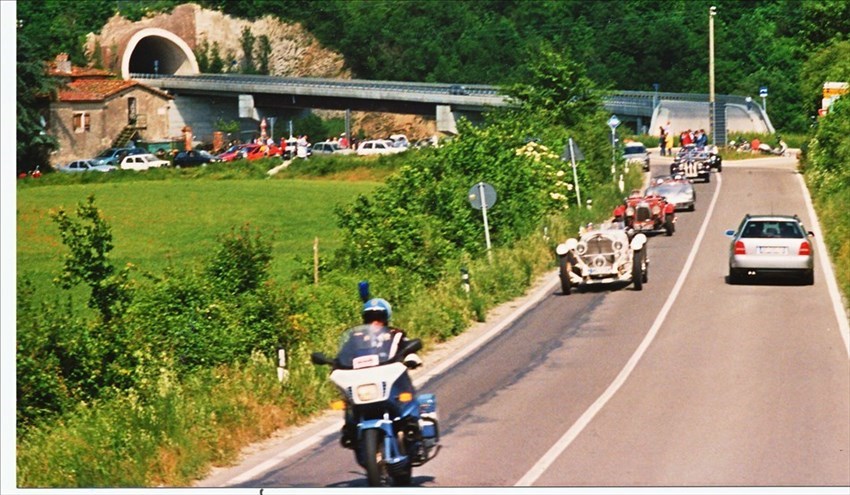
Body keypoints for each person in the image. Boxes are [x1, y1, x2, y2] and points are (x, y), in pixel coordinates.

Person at [339, 298, 422, 449]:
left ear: (386, 319)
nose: (375, 322)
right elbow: (344, 354)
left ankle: (411, 423)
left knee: (404, 390)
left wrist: (411, 357)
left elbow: (408, 347)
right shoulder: (355, 338)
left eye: (379, 318)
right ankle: (350, 429)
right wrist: (335, 362)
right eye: (370, 318)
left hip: (389, 378)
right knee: (347, 401)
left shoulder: (395, 334)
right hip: (364, 380)